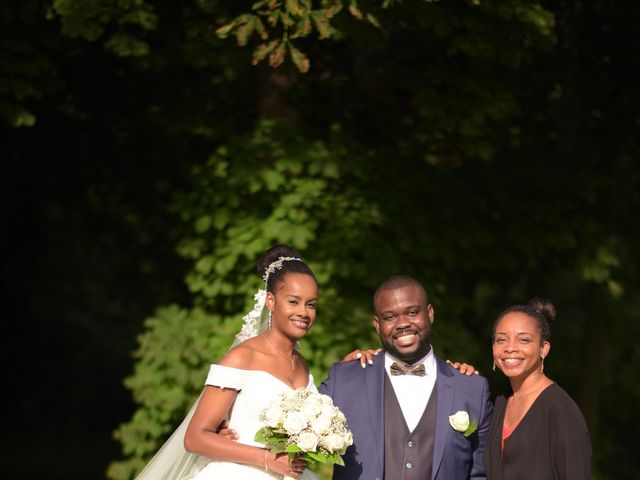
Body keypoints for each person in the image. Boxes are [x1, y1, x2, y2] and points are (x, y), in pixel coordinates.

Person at [136, 244, 320, 480]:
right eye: (293, 302)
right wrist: (267, 459)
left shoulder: (303, 365)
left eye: (311, 304)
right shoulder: (244, 357)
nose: (304, 312)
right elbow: (195, 437)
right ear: (271, 301)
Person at [319, 275, 493, 480]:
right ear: (377, 324)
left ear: (430, 314)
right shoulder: (345, 379)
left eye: (412, 312)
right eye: (390, 317)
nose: (402, 323)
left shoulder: (471, 388)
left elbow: (481, 474)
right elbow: (297, 436)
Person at [484, 298, 591, 479]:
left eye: (523, 340)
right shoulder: (500, 402)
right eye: (502, 339)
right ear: (493, 347)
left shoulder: (561, 411)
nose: (510, 348)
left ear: (543, 348)